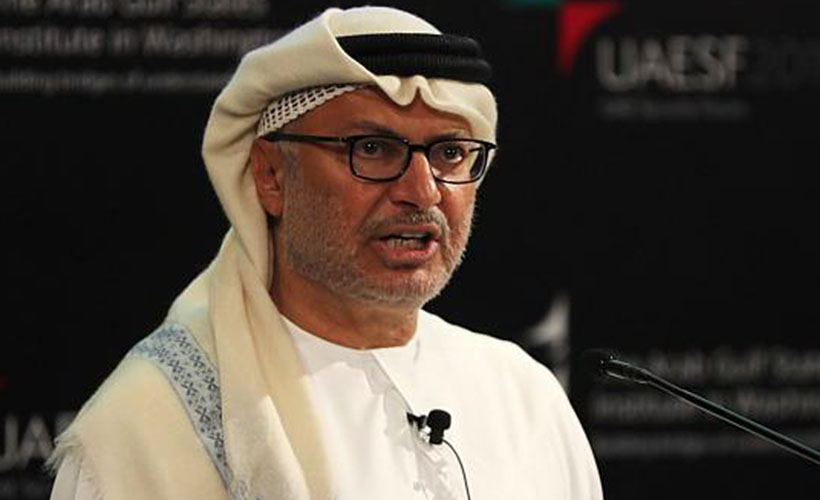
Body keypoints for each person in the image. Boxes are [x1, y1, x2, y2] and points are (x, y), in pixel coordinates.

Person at [49, 6, 603, 500]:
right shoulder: (151, 426)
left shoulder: (524, 398)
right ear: (271, 175)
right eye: (373, 148)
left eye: (450, 153)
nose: (423, 191)